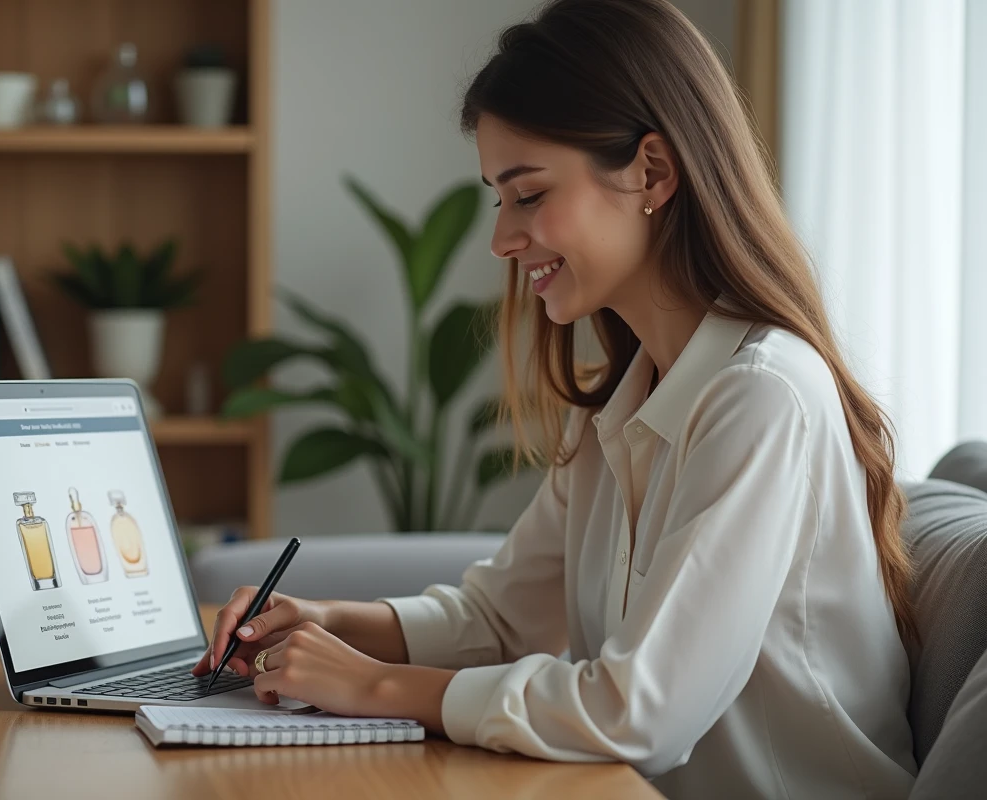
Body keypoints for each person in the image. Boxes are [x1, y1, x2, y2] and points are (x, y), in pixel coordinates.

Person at [192, 0, 917, 796]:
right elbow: (502, 618)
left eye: (528, 195)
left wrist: (371, 686)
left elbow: (642, 711)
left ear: (653, 171)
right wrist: (337, 624)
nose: (502, 239)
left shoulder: (763, 398)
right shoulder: (624, 403)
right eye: (497, 200)